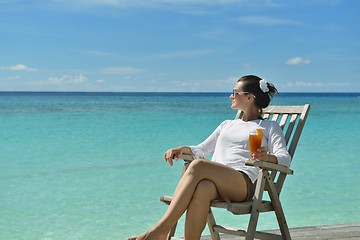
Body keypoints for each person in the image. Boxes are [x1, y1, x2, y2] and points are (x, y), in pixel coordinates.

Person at [127, 75, 291, 240]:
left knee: (198, 166)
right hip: (216, 182)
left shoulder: (269, 126)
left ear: (249, 97)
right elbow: (202, 149)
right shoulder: (227, 124)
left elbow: (284, 158)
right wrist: (184, 149)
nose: (230, 96)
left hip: (242, 183)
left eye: (235, 92)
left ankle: (159, 231)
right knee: (202, 188)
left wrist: (266, 157)